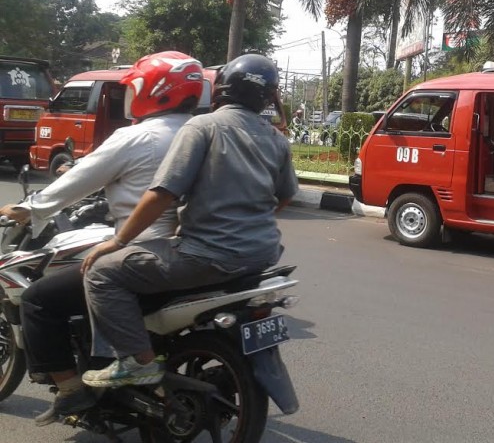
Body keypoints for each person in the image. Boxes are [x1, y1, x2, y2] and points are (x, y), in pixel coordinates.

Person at [0, 51, 204, 425]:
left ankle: (71, 392)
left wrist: (28, 208)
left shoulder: (137, 136)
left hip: (143, 250)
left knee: (39, 299)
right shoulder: (203, 131)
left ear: (152, 91)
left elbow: (76, 182)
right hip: (193, 251)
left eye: (133, 87)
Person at [79, 53, 298, 389]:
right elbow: (284, 197)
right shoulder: (276, 139)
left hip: (209, 256)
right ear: (269, 97)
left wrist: (117, 241)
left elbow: (162, 194)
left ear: (222, 88)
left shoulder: (202, 126)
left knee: (101, 271)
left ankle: (138, 361)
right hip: (264, 255)